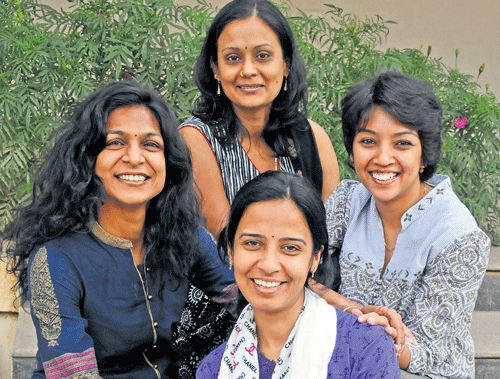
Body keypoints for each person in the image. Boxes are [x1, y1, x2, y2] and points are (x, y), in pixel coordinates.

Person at [2, 80, 236, 379]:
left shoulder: (183, 236)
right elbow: (75, 376)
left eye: (151, 144)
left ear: (168, 161)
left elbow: (245, 301)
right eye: (115, 142)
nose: (135, 158)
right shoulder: (55, 260)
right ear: (89, 158)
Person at [323, 71, 490, 378]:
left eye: (402, 143)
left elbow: (427, 349)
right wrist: (353, 310)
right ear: (351, 149)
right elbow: (292, 275)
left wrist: (376, 332)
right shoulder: (346, 201)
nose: (383, 158)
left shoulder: (460, 237)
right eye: (368, 141)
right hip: (348, 361)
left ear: (424, 153)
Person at [196, 170, 401, 379]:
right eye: (253, 243)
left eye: (290, 247)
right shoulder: (215, 369)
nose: (269, 265)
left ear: (314, 258)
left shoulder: (364, 347)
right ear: (231, 250)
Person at [179, 0, 340, 237]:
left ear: (286, 64)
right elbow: (227, 243)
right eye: (232, 58)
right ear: (215, 68)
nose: (248, 70)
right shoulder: (196, 138)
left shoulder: (313, 138)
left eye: (263, 56)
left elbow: (331, 239)